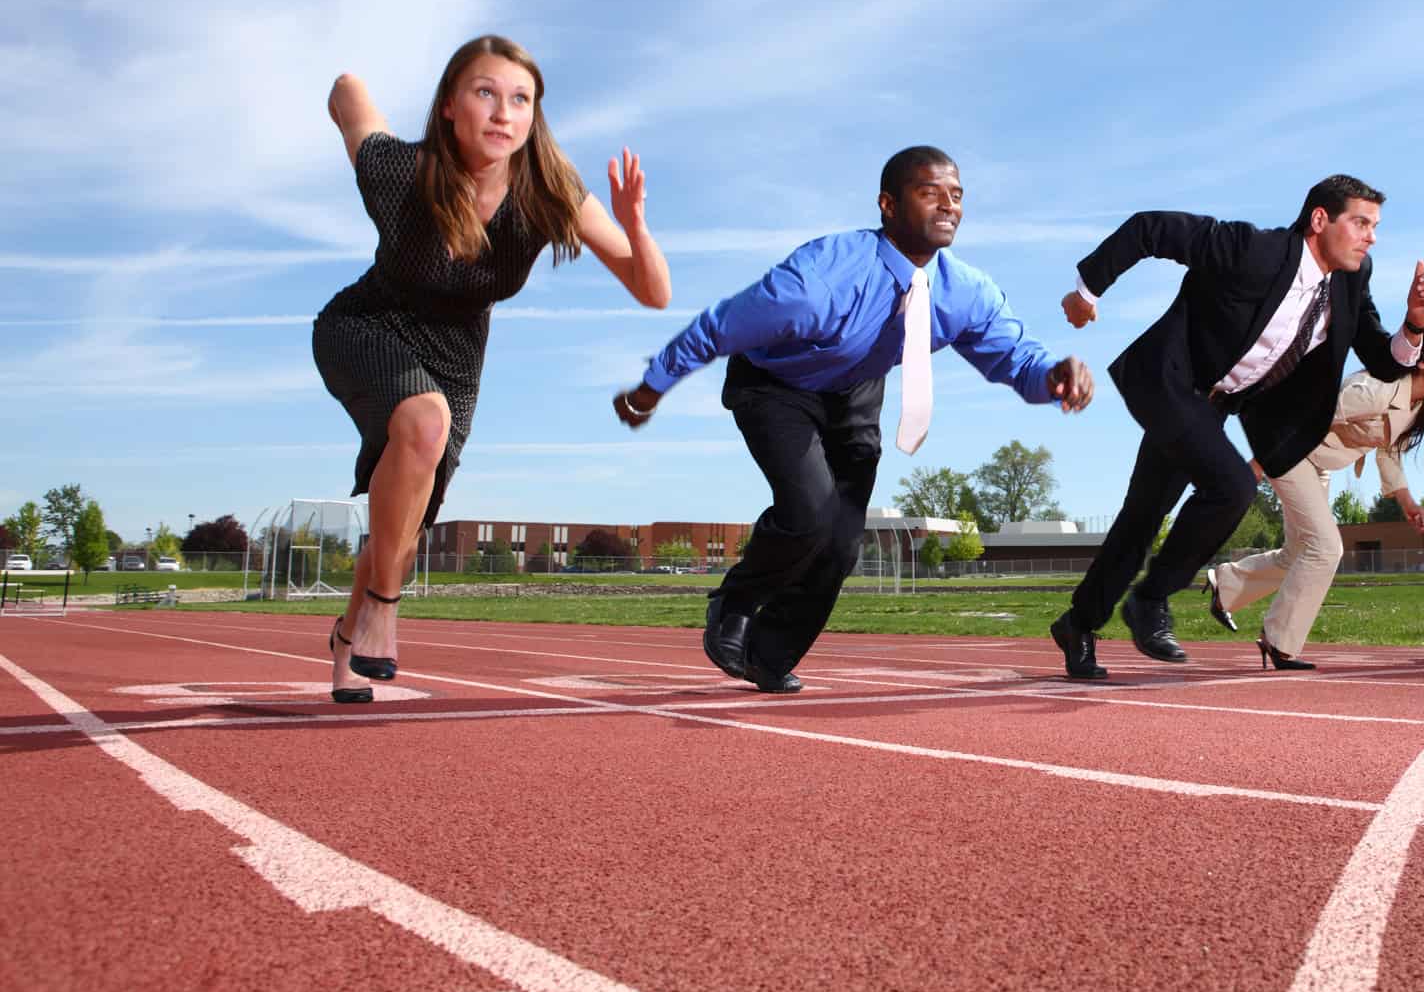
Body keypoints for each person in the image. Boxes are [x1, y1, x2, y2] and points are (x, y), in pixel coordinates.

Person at [614, 147, 1093, 692]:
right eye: (929, 192)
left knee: (841, 541)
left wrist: (1053, 374)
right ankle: (736, 602)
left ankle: (770, 654)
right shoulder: (819, 280)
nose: (948, 206)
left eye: (956, 195)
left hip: (855, 392)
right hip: (775, 385)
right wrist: (651, 388)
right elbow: (720, 326)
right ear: (888, 205)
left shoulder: (964, 292)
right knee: (810, 511)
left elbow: (1015, 358)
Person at [315, 35, 671, 704]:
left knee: (407, 523)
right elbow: (346, 94)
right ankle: (385, 608)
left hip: (455, 356)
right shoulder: (402, 171)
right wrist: (352, 88)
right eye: (485, 93)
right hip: (365, 326)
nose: (503, 113)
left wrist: (635, 225)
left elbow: (652, 291)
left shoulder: (549, 191)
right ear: (450, 105)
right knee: (423, 424)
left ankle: (345, 637)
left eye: (520, 99)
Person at [1050, 175, 1424, 680]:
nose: (1372, 237)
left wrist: (1414, 324)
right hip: (1170, 382)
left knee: (1142, 517)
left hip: (1217, 406)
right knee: (1232, 487)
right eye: (1361, 223)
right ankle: (1150, 600)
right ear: (1320, 220)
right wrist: (1087, 290)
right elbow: (1150, 229)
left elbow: (1379, 358)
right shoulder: (1250, 248)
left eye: (1376, 227)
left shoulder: (1351, 278)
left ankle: (1078, 623)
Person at [1203, 322, 1424, 669]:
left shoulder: (1418, 407)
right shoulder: (1376, 388)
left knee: (1299, 553)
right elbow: (1311, 414)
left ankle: (1225, 585)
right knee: (1326, 547)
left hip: (1320, 462)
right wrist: (1258, 463)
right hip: (1291, 452)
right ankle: (1279, 642)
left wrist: (1408, 504)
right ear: (1422, 360)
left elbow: (1389, 453)